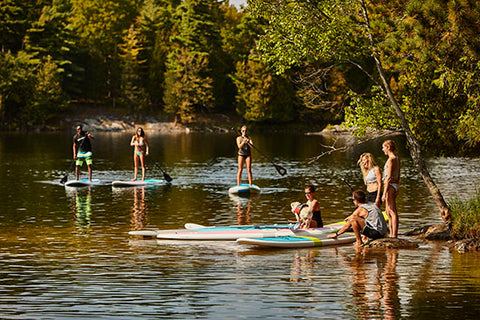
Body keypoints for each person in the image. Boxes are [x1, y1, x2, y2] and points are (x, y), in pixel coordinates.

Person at [382, 139, 400, 238]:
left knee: (392, 211)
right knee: (388, 211)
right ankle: (392, 233)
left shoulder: (391, 159)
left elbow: (388, 177)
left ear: (388, 148)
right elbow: (398, 175)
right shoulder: (396, 158)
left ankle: (394, 235)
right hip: (394, 185)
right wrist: (398, 186)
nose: (382, 149)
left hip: (390, 186)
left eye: (383, 147)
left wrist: (384, 193)